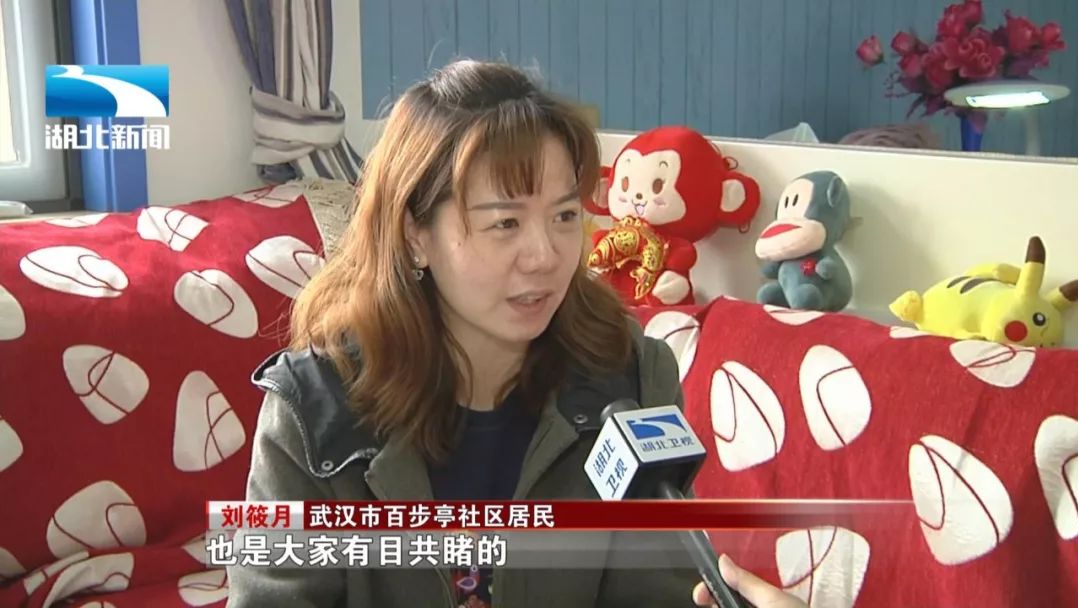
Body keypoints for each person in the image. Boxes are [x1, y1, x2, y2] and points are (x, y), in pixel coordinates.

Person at [225, 59, 806, 608]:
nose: (545, 256)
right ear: (414, 235)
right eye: (505, 222)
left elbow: (657, 592)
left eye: (565, 216)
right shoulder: (313, 413)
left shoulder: (631, 376)